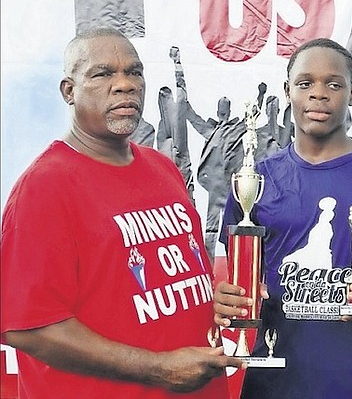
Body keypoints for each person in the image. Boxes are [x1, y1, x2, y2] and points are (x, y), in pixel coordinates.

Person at [0, 27, 244, 399]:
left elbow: (159, 283)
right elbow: (28, 326)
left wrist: (213, 296)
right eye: (102, 74)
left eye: (134, 72)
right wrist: (157, 368)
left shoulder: (162, 167)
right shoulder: (44, 188)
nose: (124, 84)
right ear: (69, 91)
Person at [213, 37, 352, 399]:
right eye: (305, 83)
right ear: (287, 91)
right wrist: (228, 298)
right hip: (276, 384)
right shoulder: (256, 179)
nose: (319, 94)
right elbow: (236, 282)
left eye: (333, 84)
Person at [185, 95, 246, 258]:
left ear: (229, 111)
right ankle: (208, 264)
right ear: (218, 111)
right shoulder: (211, 130)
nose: (223, 112)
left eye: (225, 109)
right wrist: (183, 99)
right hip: (214, 186)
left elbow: (250, 119)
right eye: (221, 109)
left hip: (229, 186)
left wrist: (261, 96)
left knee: (233, 227)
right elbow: (193, 118)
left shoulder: (235, 129)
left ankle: (234, 263)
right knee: (211, 228)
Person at [156, 46, 195, 203]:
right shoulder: (160, 128)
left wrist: (177, 64)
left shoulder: (178, 110)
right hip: (166, 184)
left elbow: (181, 91)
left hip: (182, 172)